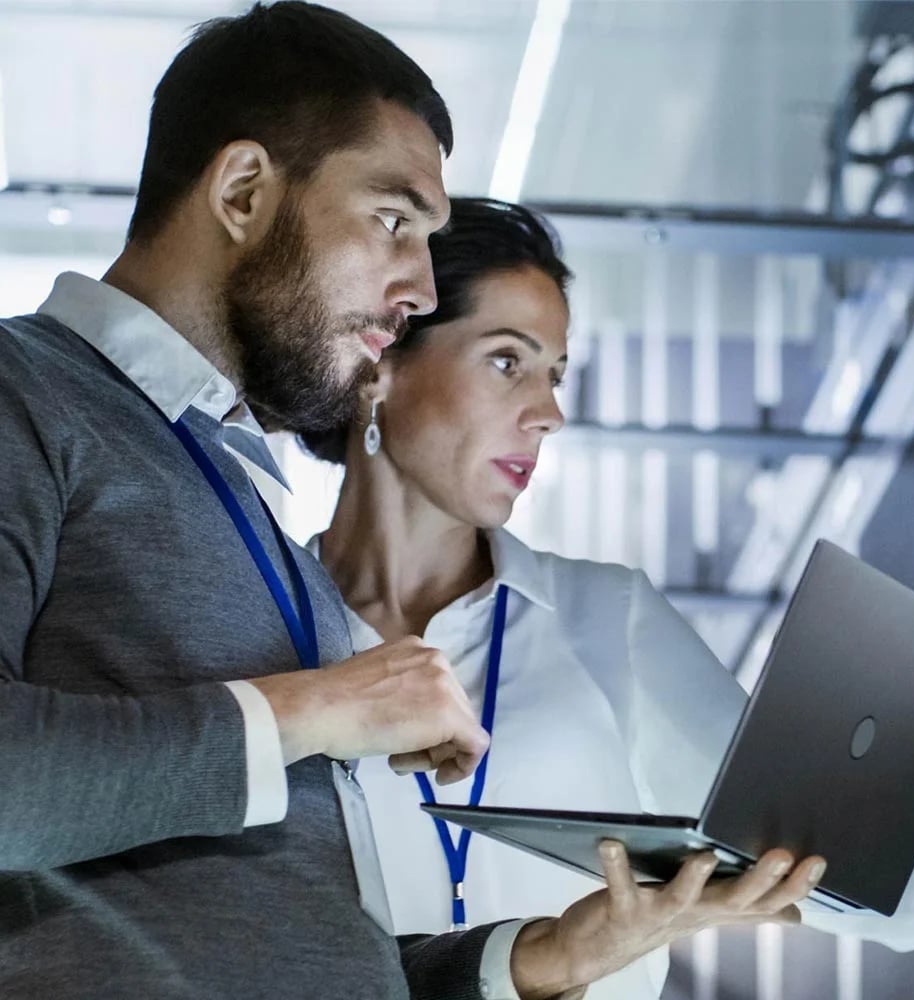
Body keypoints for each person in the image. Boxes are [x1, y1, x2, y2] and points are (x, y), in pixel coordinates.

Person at [0, 5, 822, 1000]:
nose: (422, 287)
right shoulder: (24, 392)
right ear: (244, 190)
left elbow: (292, 942)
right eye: (393, 221)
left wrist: (541, 955)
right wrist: (314, 707)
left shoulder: (242, 504)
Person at [304, 196, 914, 997]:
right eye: (507, 362)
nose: (550, 413)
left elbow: (854, 888)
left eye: (557, 375)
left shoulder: (607, 619)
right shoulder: (257, 631)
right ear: (382, 359)